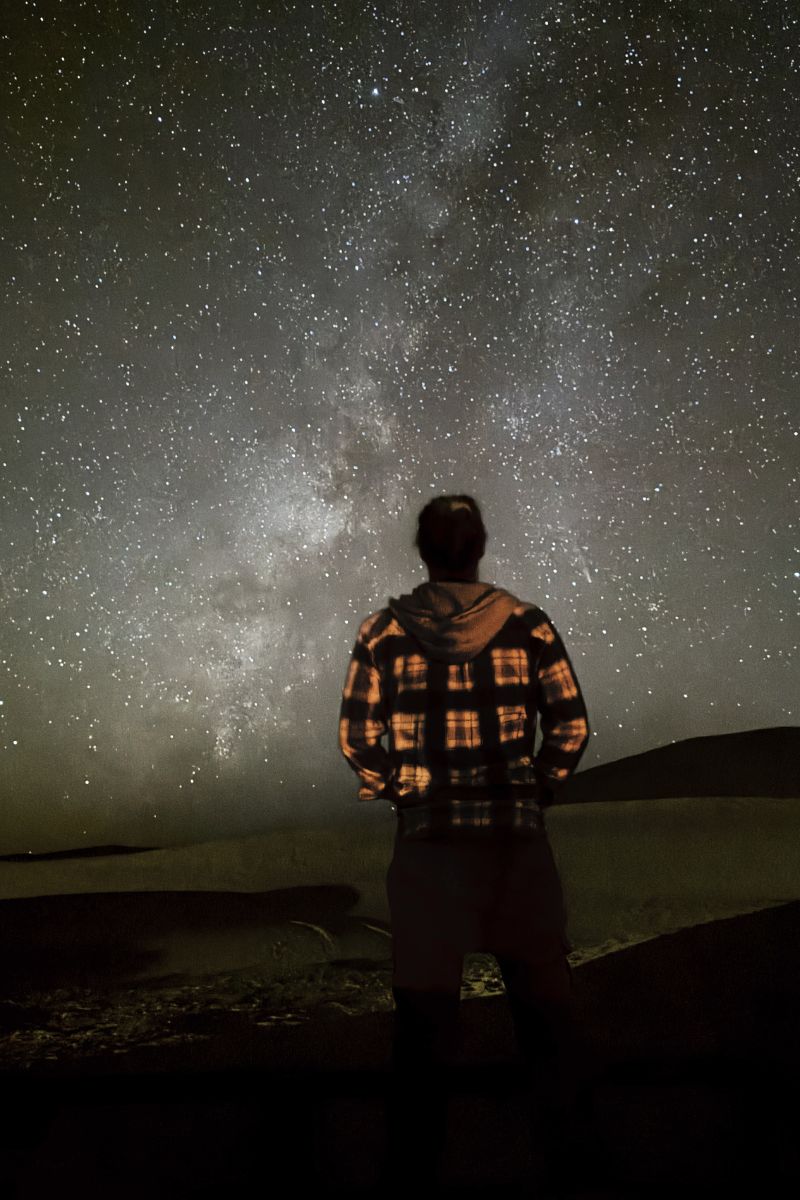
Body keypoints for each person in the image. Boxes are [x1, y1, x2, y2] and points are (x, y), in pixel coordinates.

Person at [338, 494, 593, 1191]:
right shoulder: (529, 625)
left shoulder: (383, 632)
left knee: (422, 1034)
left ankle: (413, 1180)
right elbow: (570, 725)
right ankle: (574, 1173)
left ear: (423, 551)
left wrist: (403, 788)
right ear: (479, 548)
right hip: (515, 851)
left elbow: (357, 737)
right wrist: (536, 786)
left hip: (429, 856)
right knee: (547, 1024)